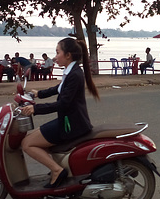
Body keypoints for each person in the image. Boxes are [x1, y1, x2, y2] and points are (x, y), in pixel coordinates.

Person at [19, 38, 100, 188]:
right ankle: (58, 167)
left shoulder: (75, 75)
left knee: (27, 144)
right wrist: (39, 94)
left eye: (57, 52)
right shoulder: (72, 71)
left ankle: (57, 170)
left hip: (71, 125)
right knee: (34, 137)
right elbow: (59, 87)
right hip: (69, 120)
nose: (55, 57)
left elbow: (63, 104)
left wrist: (36, 109)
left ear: (68, 55)